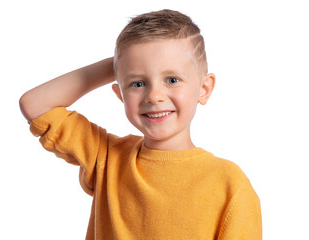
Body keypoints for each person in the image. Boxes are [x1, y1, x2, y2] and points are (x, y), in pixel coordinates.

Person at [19, 9, 262, 240]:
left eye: (172, 79)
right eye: (137, 83)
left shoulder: (229, 184)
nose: (154, 96)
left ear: (204, 88)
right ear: (120, 94)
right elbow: (35, 105)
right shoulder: (106, 157)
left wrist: (132, 66)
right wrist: (117, 64)